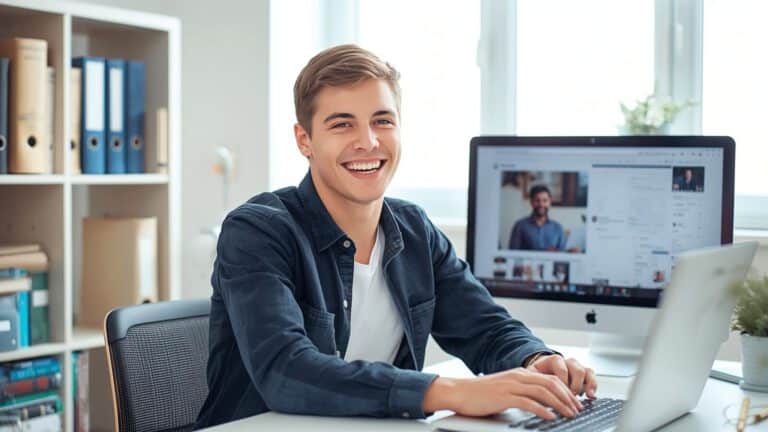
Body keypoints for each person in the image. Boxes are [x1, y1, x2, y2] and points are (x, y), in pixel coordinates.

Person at [194, 44, 597, 429]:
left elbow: (485, 328)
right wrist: (451, 392)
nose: (368, 141)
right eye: (342, 124)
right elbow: (285, 371)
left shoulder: (414, 229)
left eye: (382, 121)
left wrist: (535, 359)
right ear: (305, 140)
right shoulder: (257, 231)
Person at [508, 185, 567, 251]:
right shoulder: (520, 226)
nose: (541, 204)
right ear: (531, 202)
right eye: (537, 200)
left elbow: (563, 254)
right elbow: (512, 254)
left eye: (545, 200)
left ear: (550, 202)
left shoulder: (558, 228)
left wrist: (571, 252)